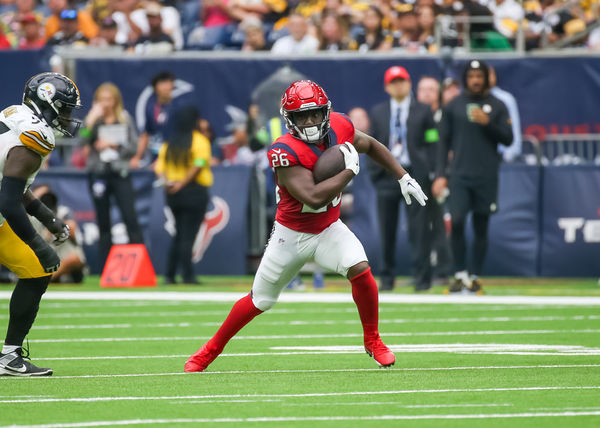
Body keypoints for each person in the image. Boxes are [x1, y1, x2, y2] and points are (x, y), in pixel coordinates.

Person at [185, 80, 427, 372]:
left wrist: (402, 175)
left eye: (315, 113)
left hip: (328, 228)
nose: (310, 121)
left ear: (326, 111)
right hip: (291, 235)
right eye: (302, 116)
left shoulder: (340, 126)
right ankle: (209, 351)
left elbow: (371, 145)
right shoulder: (283, 150)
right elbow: (312, 197)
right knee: (260, 300)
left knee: (360, 269)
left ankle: (373, 340)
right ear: (290, 119)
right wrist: (349, 171)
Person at [0, 72, 81, 376]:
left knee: (36, 272)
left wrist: (48, 218)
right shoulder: (35, 136)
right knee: (40, 261)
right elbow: (8, 201)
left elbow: (12, 187)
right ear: (46, 102)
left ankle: (9, 357)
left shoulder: (17, 115)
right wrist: (40, 244)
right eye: (65, 108)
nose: (68, 117)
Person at [432, 60, 513, 293]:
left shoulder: (497, 105)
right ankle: (459, 274)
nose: (476, 80)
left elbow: (508, 139)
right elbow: (442, 143)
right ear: (466, 78)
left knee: (481, 225)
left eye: (480, 76)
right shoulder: (453, 106)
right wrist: (440, 175)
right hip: (459, 175)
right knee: (456, 221)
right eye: (471, 76)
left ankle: (474, 276)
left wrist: (489, 124)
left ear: (486, 78)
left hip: (487, 176)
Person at [367, 66, 438, 292]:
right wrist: (376, 174)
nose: (399, 85)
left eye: (402, 81)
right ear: (387, 87)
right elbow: (371, 144)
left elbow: (433, 141)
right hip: (388, 175)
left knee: (419, 230)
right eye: (394, 82)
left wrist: (429, 171)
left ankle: (422, 278)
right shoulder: (378, 112)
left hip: (414, 174)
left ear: (409, 84)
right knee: (386, 230)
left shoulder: (424, 110)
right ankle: (387, 278)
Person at [83, 82, 143, 271]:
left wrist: (115, 146)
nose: (106, 104)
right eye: (102, 100)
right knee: (103, 222)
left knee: (130, 217)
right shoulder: (94, 120)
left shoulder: (124, 119)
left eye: (109, 99)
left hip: (119, 172)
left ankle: (138, 266)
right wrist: (90, 121)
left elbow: (134, 146)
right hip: (98, 173)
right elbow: (81, 141)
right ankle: (106, 269)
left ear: (116, 100)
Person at [155, 106, 213, 284]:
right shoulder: (199, 141)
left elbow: (159, 168)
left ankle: (170, 275)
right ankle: (188, 275)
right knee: (188, 235)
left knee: (179, 233)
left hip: (172, 194)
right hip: (193, 192)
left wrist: (168, 183)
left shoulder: (170, 142)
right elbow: (198, 164)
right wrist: (183, 183)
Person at [30, 185, 86, 283]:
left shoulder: (63, 212)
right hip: (45, 258)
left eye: (47, 195)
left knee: (73, 258)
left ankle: (45, 279)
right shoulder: (32, 218)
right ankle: (46, 277)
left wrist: (54, 223)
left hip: (65, 258)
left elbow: (72, 228)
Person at [131, 71, 176, 169]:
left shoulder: (177, 107)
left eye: (168, 83)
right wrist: (137, 157)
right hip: (154, 155)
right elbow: (146, 134)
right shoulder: (150, 108)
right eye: (162, 83)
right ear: (155, 87)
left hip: (173, 155)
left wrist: (162, 160)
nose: (165, 87)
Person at [488, 66, 522, 162]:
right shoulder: (473, 100)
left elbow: (514, 127)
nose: (487, 78)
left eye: (490, 74)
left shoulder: (506, 99)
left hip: (502, 155)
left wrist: (510, 154)